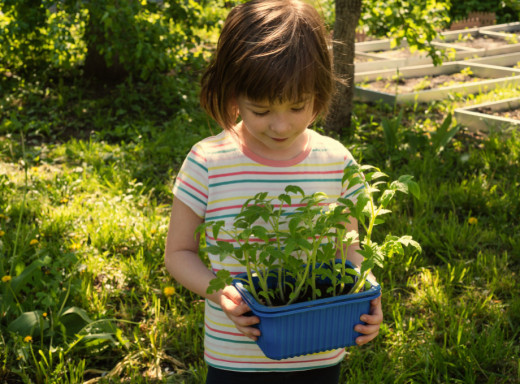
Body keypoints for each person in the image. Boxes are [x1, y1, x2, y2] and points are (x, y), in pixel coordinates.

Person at [164, 1, 383, 383]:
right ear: (234, 95)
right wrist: (220, 293)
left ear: (320, 90)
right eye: (261, 110)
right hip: (235, 354)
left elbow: (348, 251)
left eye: (297, 106)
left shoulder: (336, 161)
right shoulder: (208, 161)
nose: (281, 125)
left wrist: (365, 298)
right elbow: (179, 253)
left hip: (319, 351)